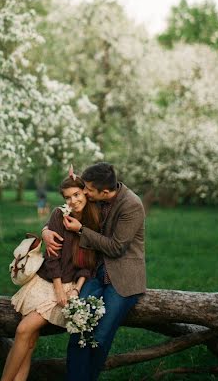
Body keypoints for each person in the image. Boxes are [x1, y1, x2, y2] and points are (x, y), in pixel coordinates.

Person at [42, 162, 146, 381]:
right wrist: (45, 231)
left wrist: (81, 230)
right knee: (79, 326)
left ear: (105, 192)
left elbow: (116, 248)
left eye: (88, 190)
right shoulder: (96, 193)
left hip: (123, 277)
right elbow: (68, 206)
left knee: (99, 335)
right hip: (94, 271)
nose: (85, 194)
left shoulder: (132, 205)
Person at [1, 171, 100, 381]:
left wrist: (75, 289)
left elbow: (89, 265)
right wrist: (57, 287)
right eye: (67, 197)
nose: (73, 201)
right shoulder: (59, 215)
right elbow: (52, 256)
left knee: (24, 331)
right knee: (27, 337)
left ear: (85, 192)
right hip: (48, 281)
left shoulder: (93, 223)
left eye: (76, 194)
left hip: (68, 288)